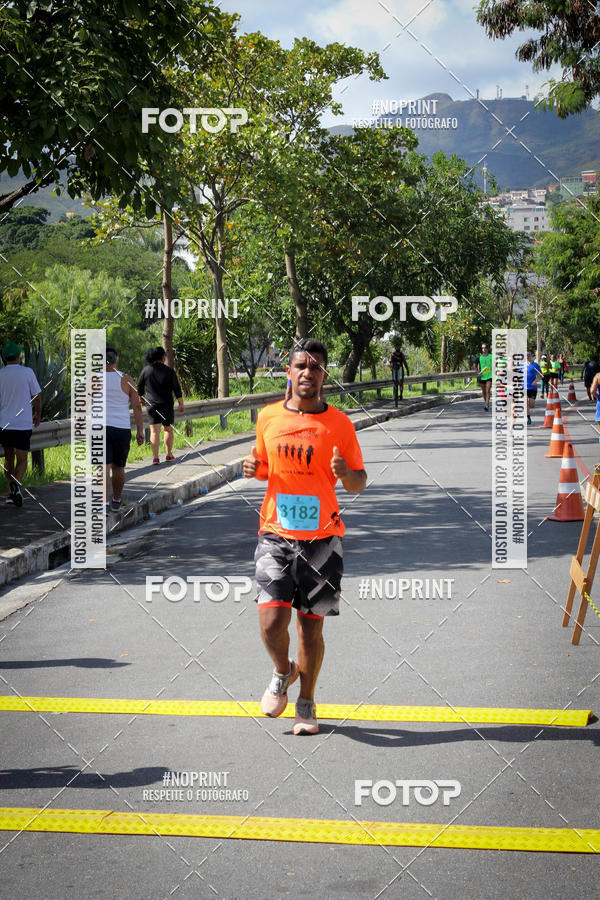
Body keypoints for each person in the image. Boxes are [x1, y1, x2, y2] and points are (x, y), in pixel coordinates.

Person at [243, 338, 367, 736]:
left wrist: (345, 472)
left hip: (323, 539)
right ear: (289, 372)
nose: (307, 374)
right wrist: (252, 467)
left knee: (310, 628)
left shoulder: (340, 424)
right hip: (275, 534)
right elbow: (264, 468)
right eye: (300, 366)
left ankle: (307, 703)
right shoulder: (267, 418)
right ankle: (284, 671)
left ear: (324, 374)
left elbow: (359, 483)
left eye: (315, 368)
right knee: (270, 622)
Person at [0, 342, 41, 507]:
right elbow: (37, 397)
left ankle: (12, 493)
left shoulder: (0, 374)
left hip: (4, 423)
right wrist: (38, 414)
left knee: (8, 457)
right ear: (19, 357)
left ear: (4, 358)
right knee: (22, 459)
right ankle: (16, 485)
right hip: (23, 423)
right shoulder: (27, 372)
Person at [105, 346, 144, 511]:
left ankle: (103, 503)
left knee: (103, 467)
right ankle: (116, 500)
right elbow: (137, 406)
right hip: (121, 428)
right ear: (117, 361)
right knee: (118, 466)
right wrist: (140, 431)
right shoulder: (127, 379)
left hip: (100, 428)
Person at [137, 347, 184, 464]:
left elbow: (139, 386)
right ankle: (168, 454)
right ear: (163, 357)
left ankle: (156, 457)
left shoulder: (146, 370)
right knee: (167, 430)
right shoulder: (169, 371)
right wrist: (181, 403)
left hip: (151, 405)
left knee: (154, 431)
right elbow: (177, 388)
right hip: (166, 405)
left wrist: (141, 398)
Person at [526, 351, 542, 425]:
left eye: (528, 355)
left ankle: (528, 410)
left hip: (532, 387)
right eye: (526, 355)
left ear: (531, 356)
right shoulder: (522, 365)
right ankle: (528, 417)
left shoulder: (535, 365)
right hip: (524, 387)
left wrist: (536, 381)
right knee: (525, 402)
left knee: (531, 405)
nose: (527, 356)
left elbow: (540, 375)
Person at [477, 342, 493, 410]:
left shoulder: (491, 356)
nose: (483, 349)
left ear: (487, 349)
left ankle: (486, 405)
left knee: (488, 390)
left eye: (484, 348)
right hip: (482, 376)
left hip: (490, 376)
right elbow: (474, 365)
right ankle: (486, 402)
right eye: (482, 348)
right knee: (483, 391)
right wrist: (478, 372)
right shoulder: (479, 357)